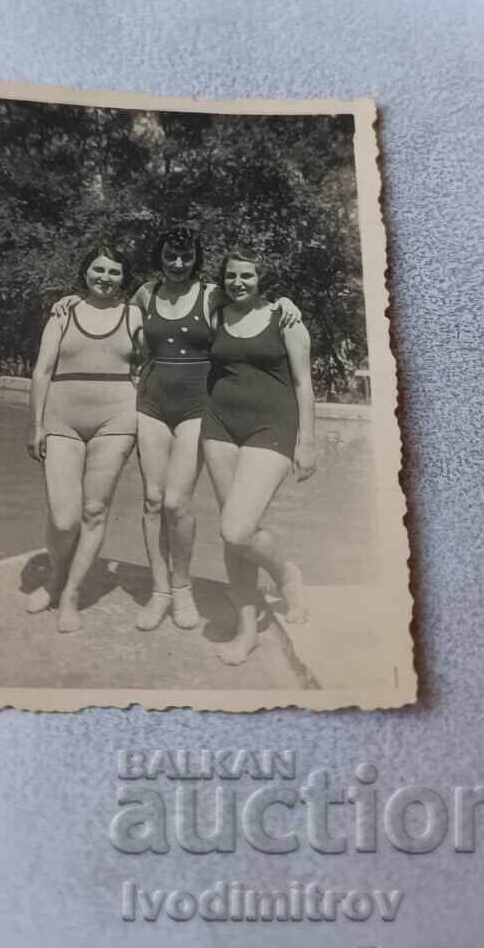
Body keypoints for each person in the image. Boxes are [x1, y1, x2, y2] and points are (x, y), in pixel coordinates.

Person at [52, 224, 301, 634]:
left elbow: (250, 302)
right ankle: (161, 590)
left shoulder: (210, 295)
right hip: (151, 404)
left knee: (175, 503)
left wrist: (285, 302)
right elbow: (108, 307)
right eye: (171, 256)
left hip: (197, 406)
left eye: (186, 257)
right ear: (160, 257)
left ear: (197, 260)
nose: (178, 264)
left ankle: (183, 587)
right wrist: (70, 300)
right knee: (152, 500)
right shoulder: (145, 295)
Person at [201, 246, 317, 665]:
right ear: (223, 279)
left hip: (272, 427)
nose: (239, 283)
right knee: (233, 532)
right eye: (232, 276)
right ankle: (246, 630)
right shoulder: (214, 313)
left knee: (237, 529)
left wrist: (307, 440)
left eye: (247, 276)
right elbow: (160, 299)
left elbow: (303, 383)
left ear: (260, 278)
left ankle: (285, 572)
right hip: (219, 427)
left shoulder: (284, 318)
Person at [26, 246, 143, 632]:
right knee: (63, 517)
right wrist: (37, 424)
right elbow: (42, 371)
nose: (105, 277)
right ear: (85, 272)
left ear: (123, 278)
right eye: (98, 269)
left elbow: (159, 360)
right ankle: (54, 578)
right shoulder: (64, 313)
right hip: (63, 419)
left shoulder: (134, 316)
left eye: (114, 272)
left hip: (116, 419)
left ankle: (71, 593)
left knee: (94, 512)